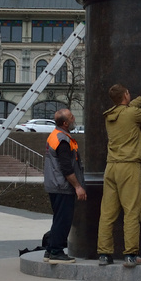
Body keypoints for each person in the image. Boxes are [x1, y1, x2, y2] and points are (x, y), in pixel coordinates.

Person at [97, 85, 141, 268]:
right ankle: (130, 255)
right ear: (126, 95)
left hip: (111, 167)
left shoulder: (111, 115)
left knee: (107, 213)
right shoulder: (131, 114)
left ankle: (104, 254)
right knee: (132, 211)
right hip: (129, 167)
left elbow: (129, 108)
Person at [42, 109, 86, 263]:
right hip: (62, 186)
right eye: (72, 117)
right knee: (63, 220)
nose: (74, 118)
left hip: (54, 184)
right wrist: (78, 187)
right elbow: (67, 168)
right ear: (66, 123)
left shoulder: (56, 136)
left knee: (58, 219)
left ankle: (50, 250)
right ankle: (56, 252)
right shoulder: (62, 140)